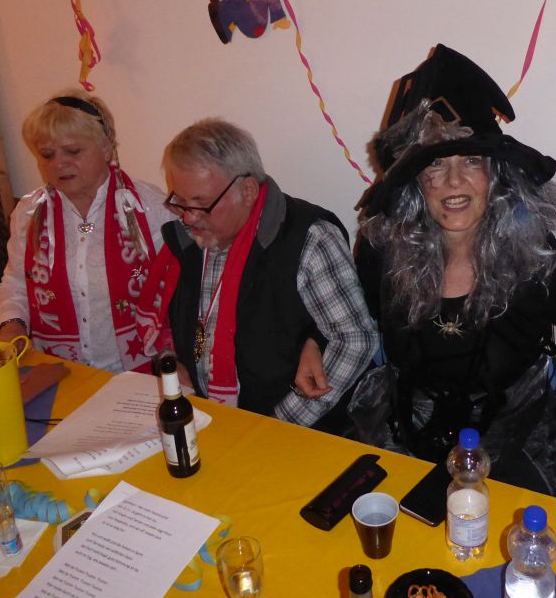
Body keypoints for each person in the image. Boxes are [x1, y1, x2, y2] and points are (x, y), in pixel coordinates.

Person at [353, 44, 556, 495]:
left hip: (515, 442)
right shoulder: (382, 252)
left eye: (471, 161)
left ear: (496, 174)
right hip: (402, 432)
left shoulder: (539, 258)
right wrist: (311, 341)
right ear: (415, 181)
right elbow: (358, 324)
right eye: (435, 164)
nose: (454, 182)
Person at [136, 118, 378, 429]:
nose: (189, 218)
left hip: (298, 431)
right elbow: (173, 323)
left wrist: (276, 426)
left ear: (248, 190)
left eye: (202, 204)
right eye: (180, 202)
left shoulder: (309, 238)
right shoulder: (186, 241)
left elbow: (355, 339)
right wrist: (175, 364)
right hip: (211, 421)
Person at [0, 91, 175, 373]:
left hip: (138, 371)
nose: (58, 164)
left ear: (106, 147)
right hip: (58, 370)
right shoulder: (29, 213)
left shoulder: (149, 207)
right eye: (47, 155)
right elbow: (16, 281)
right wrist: (11, 324)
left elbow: (178, 291)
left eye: (73, 151)